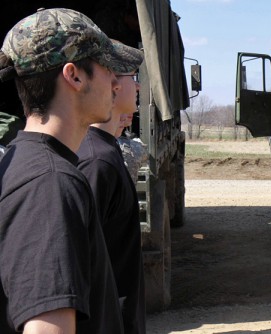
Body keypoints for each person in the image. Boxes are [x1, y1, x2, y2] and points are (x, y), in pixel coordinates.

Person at [0, 8, 141, 333]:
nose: (114, 82)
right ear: (74, 76)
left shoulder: (27, 161)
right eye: (107, 67)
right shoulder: (50, 184)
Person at [77, 42, 145, 334]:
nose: (138, 87)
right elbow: (84, 263)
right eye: (133, 77)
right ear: (113, 86)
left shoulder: (106, 151)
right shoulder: (96, 161)